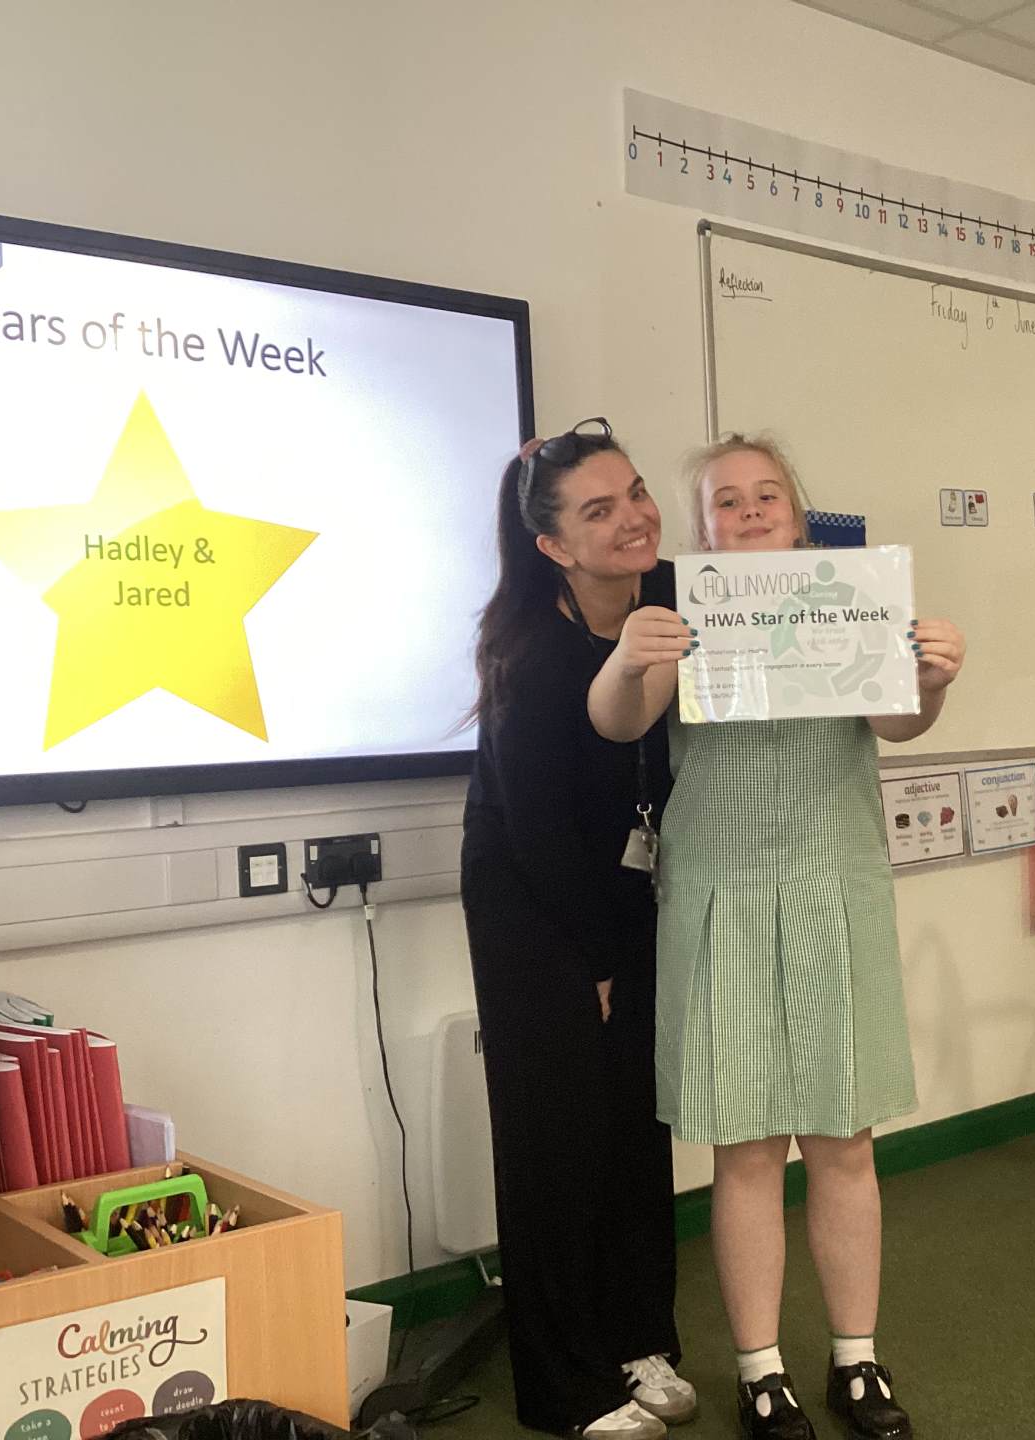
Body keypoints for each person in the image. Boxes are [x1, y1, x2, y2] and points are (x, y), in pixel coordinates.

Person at [588, 435, 966, 1440]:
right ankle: (760, 1370)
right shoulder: (677, 617)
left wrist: (932, 677)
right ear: (702, 528)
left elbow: (898, 723)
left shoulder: (851, 603)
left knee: (843, 1139)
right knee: (747, 1146)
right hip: (720, 896)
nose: (750, 511)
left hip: (832, 887)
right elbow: (618, 721)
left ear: (798, 517)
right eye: (727, 501)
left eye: (768, 496)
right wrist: (628, 658)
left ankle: (856, 1359)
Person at [460, 418, 695, 1440]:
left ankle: (639, 1337)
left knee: (636, 1124)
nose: (634, 518)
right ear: (553, 545)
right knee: (556, 1140)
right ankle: (565, 1387)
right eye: (600, 511)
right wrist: (593, 959)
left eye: (635, 491)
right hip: (535, 908)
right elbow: (536, 828)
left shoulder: (673, 595)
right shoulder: (528, 649)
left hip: (634, 889)